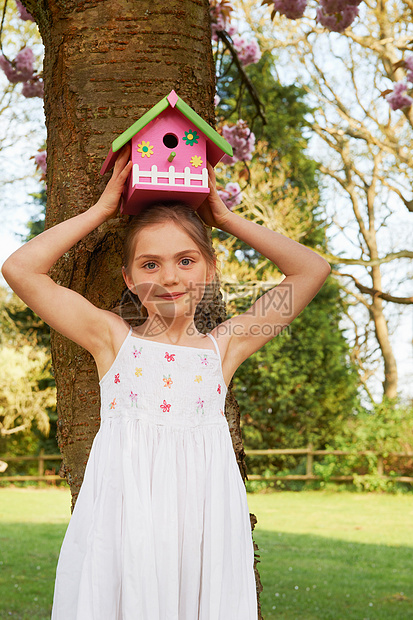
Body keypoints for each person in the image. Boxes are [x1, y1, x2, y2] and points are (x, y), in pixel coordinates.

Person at [2, 144, 331, 620]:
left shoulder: (228, 346)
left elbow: (311, 269)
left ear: (210, 268)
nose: (170, 277)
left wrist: (225, 218)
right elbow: (20, 269)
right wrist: (100, 210)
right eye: (150, 264)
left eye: (186, 260)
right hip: (128, 527)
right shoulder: (111, 340)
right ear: (130, 279)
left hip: (203, 530)